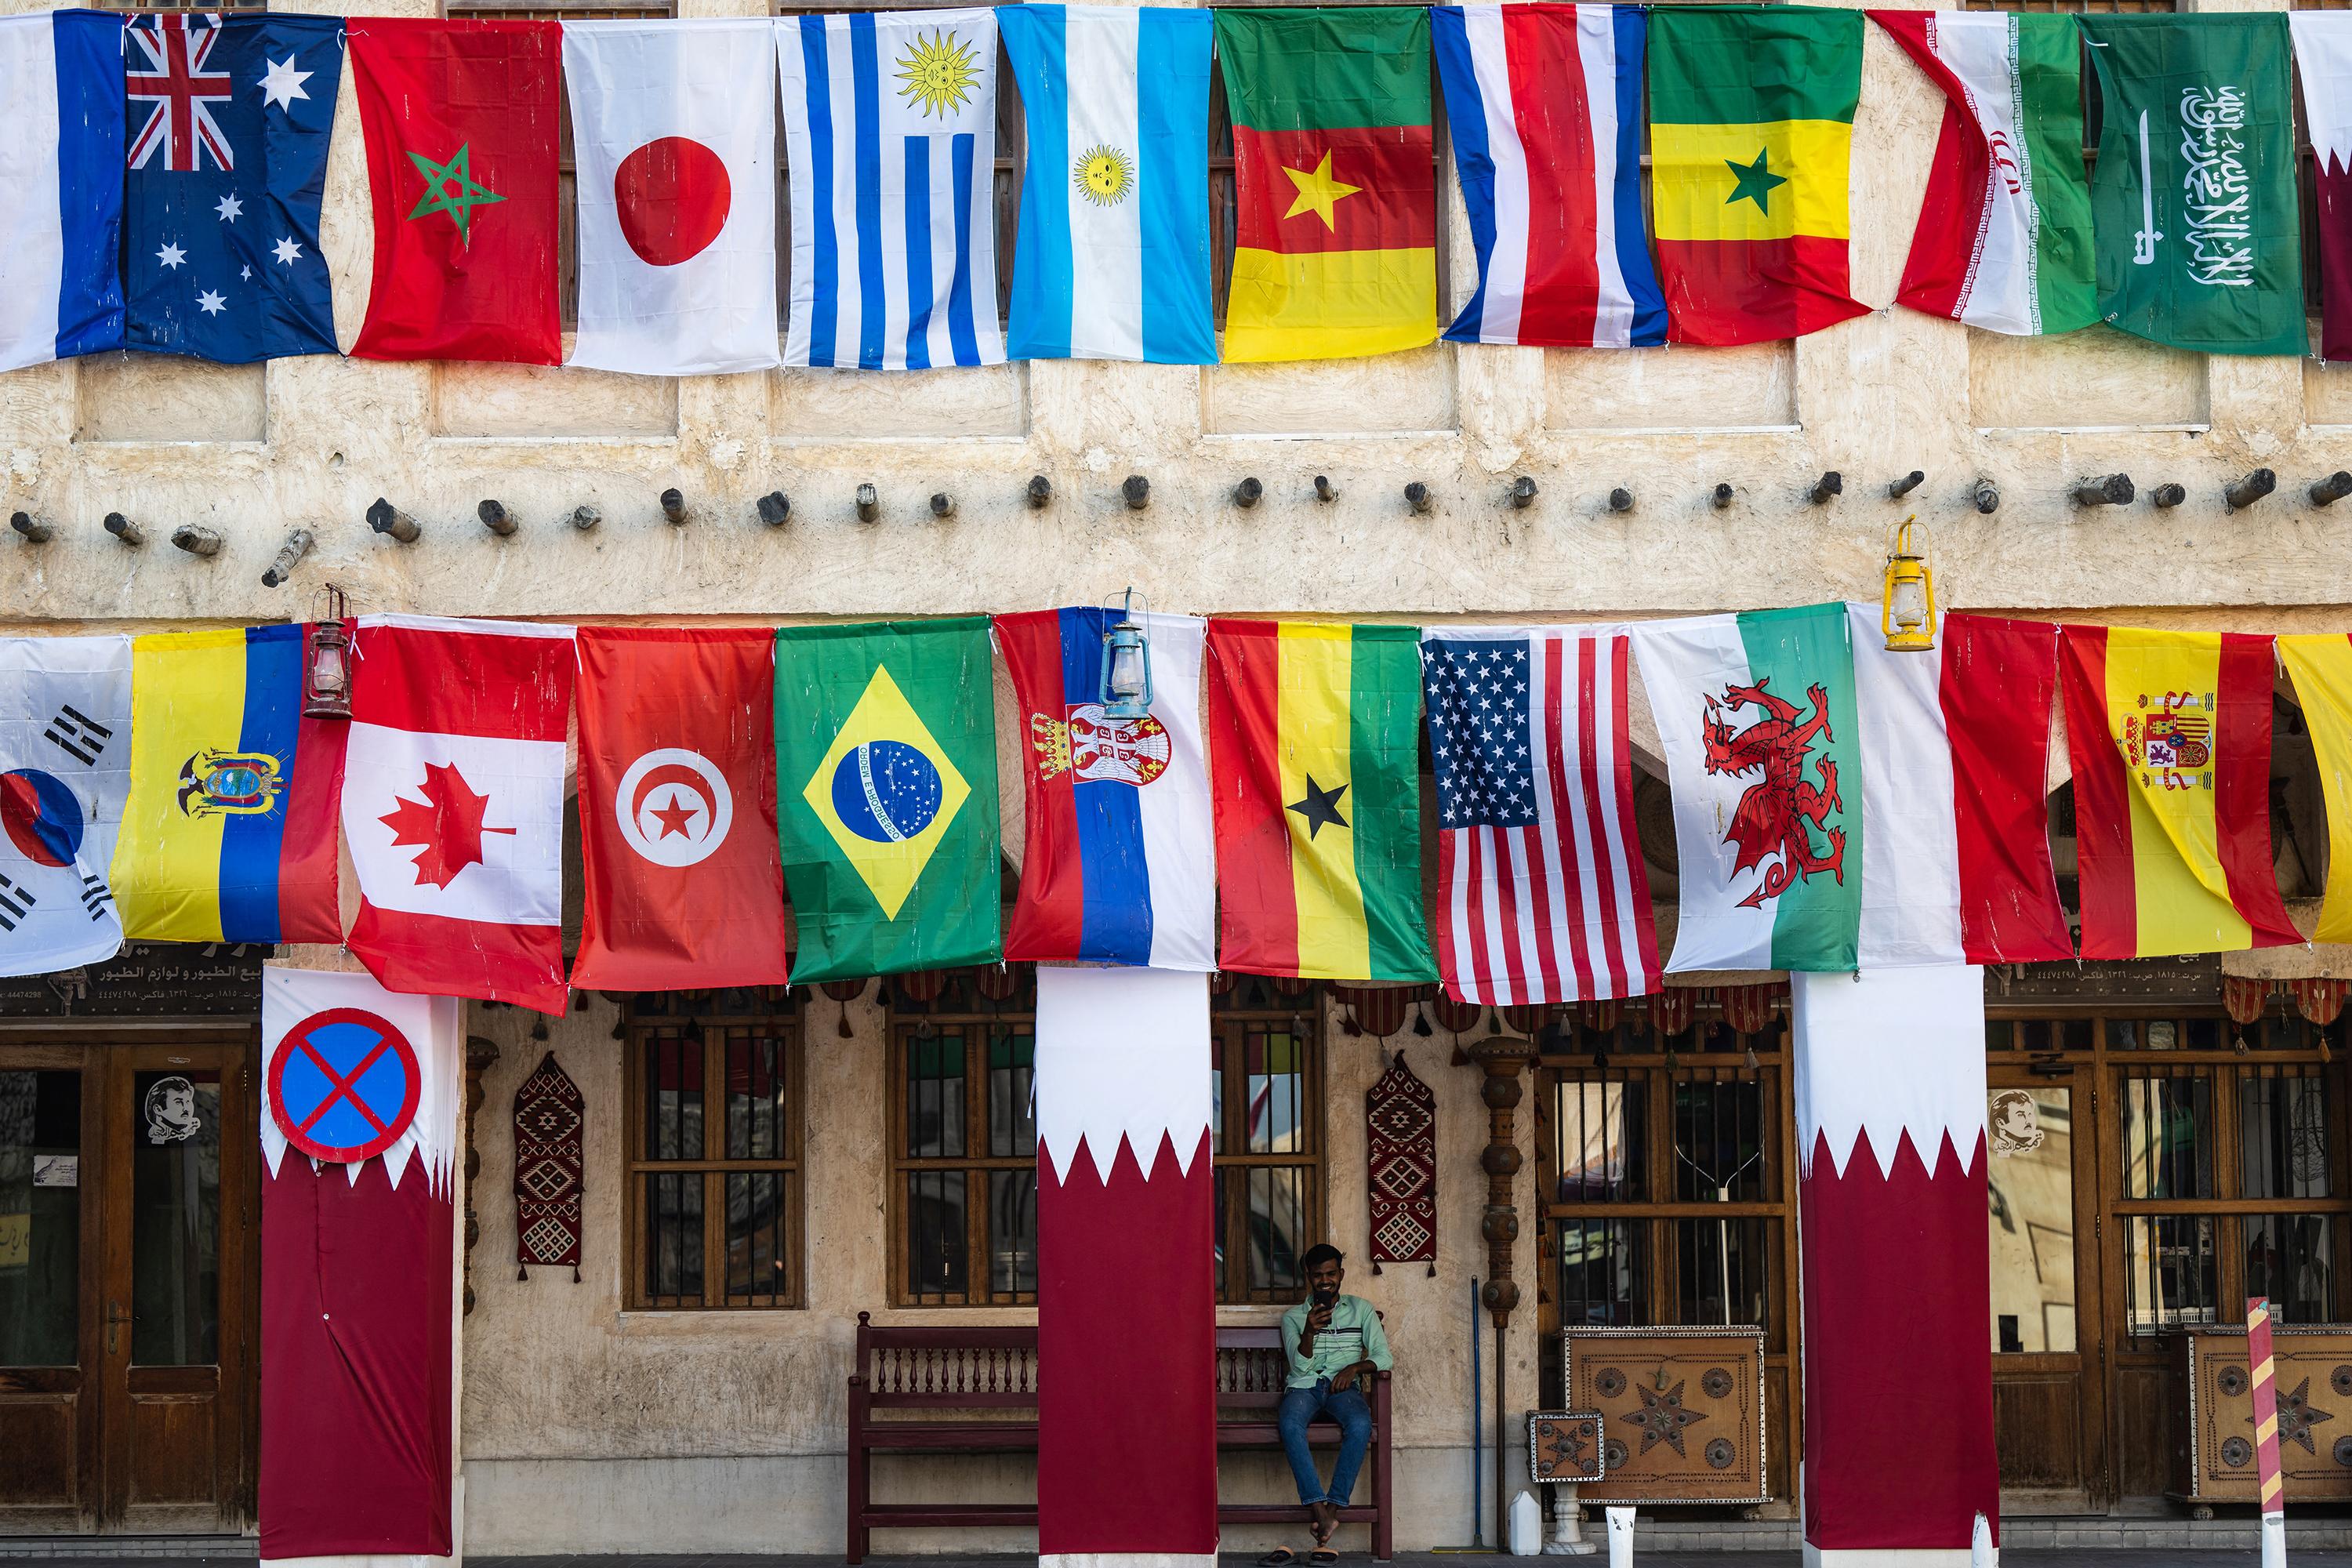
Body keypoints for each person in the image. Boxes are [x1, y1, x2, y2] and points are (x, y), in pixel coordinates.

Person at [1261, 1243, 1392, 1566]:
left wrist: (1354, 1369)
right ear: (1309, 1277)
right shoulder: (1293, 1317)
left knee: (1361, 1425)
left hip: (1342, 1388)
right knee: (1290, 1424)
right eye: (1318, 1275)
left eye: (1331, 1274)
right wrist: (1308, 1330)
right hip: (1305, 1387)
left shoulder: (1361, 1310)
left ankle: (1331, 1511)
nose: (1325, 1281)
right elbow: (1299, 1368)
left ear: (1341, 1275)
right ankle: (1320, 1510)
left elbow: (1383, 1356)